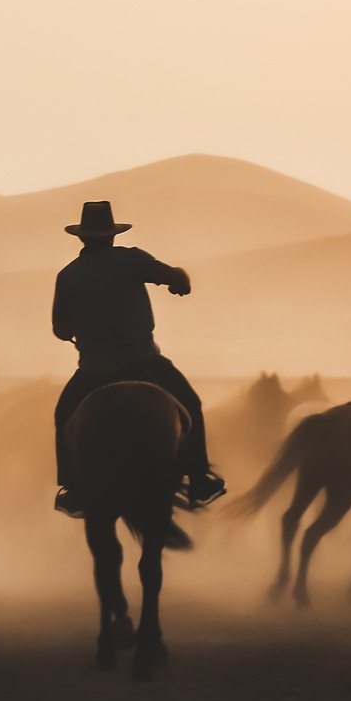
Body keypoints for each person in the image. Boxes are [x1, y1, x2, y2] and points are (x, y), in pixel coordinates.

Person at [50, 200, 225, 517]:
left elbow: (61, 330)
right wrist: (180, 280)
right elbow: (175, 278)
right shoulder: (132, 260)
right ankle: (199, 479)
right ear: (112, 235)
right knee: (191, 403)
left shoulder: (68, 276)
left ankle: (72, 488)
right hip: (144, 362)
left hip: (93, 370)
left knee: (63, 416)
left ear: (82, 237)